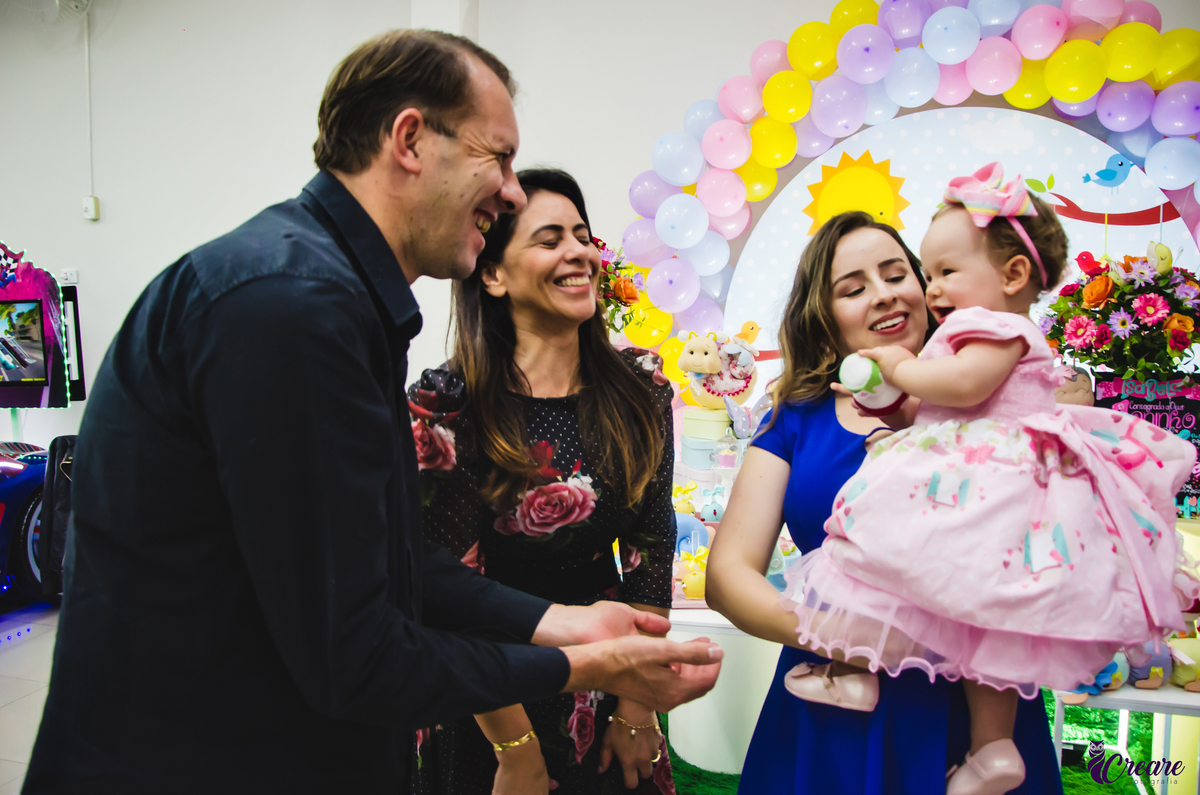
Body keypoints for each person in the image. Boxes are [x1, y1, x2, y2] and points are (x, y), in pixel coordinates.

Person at [23, 30, 720, 795]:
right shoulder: (291, 310)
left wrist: (561, 622)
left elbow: (390, 561)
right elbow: (351, 650)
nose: (514, 192)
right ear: (411, 140)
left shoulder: (332, 298)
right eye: (500, 158)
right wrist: (583, 665)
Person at [779, 164, 1195, 794]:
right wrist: (894, 405)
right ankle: (977, 739)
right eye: (932, 271)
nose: (932, 287)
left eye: (937, 272)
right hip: (971, 473)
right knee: (966, 619)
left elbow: (963, 387)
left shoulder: (996, 329)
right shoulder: (964, 336)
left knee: (876, 557)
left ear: (1013, 275)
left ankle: (975, 735)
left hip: (982, 486)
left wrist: (899, 368)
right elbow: (939, 407)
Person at [707, 209, 1064, 794]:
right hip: (837, 703)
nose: (882, 295)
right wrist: (859, 636)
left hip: (976, 707)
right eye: (853, 288)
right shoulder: (796, 417)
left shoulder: (999, 395)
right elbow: (726, 577)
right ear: (825, 319)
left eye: (897, 274)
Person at [409, 168, 677, 794]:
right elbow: (444, 589)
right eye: (550, 238)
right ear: (494, 275)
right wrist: (516, 749)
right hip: (486, 693)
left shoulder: (642, 389)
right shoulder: (447, 406)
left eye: (582, 235)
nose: (578, 252)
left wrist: (637, 706)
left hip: (611, 680)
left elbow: (652, 545)